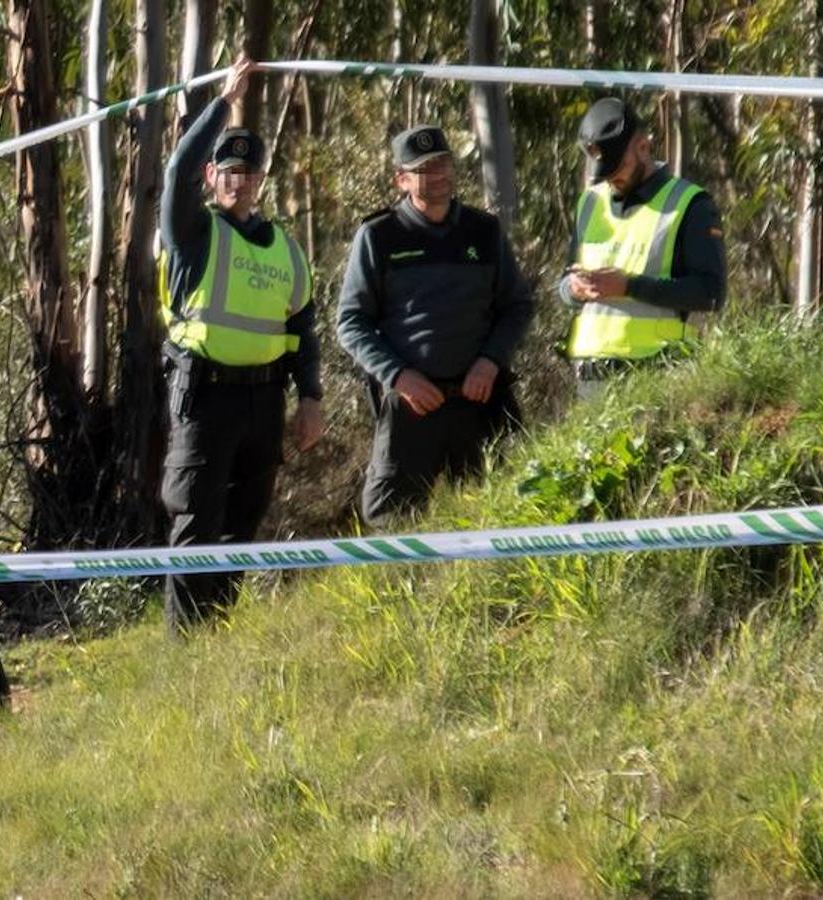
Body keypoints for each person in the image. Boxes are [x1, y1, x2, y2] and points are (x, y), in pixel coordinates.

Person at [158, 56, 323, 633]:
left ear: (259, 180)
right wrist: (224, 102)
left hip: (262, 404)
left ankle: (217, 634)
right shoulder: (194, 231)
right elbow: (177, 168)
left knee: (241, 526)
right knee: (195, 525)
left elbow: (302, 326)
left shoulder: (285, 249)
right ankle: (185, 647)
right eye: (228, 171)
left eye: (248, 174)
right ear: (213, 177)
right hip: (204, 400)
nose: (238, 181)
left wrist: (310, 397)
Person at [337, 124, 533, 526]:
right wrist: (397, 375)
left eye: (443, 164)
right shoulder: (378, 235)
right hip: (412, 406)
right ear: (402, 179)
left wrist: (490, 362)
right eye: (425, 168)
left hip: (479, 402)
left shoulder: (484, 230)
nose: (438, 175)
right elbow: (351, 322)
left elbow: (517, 306)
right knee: (391, 522)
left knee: (499, 514)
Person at [560, 97, 727, 398]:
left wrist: (629, 286)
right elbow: (564, 286)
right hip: (592, 377)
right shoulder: (590, 203)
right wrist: (573, 289)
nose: (613, 178)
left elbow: (711, 294)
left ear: (644, 147)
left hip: (658, 371)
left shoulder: (690, 204)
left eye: (619, 166)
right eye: (606, 171)